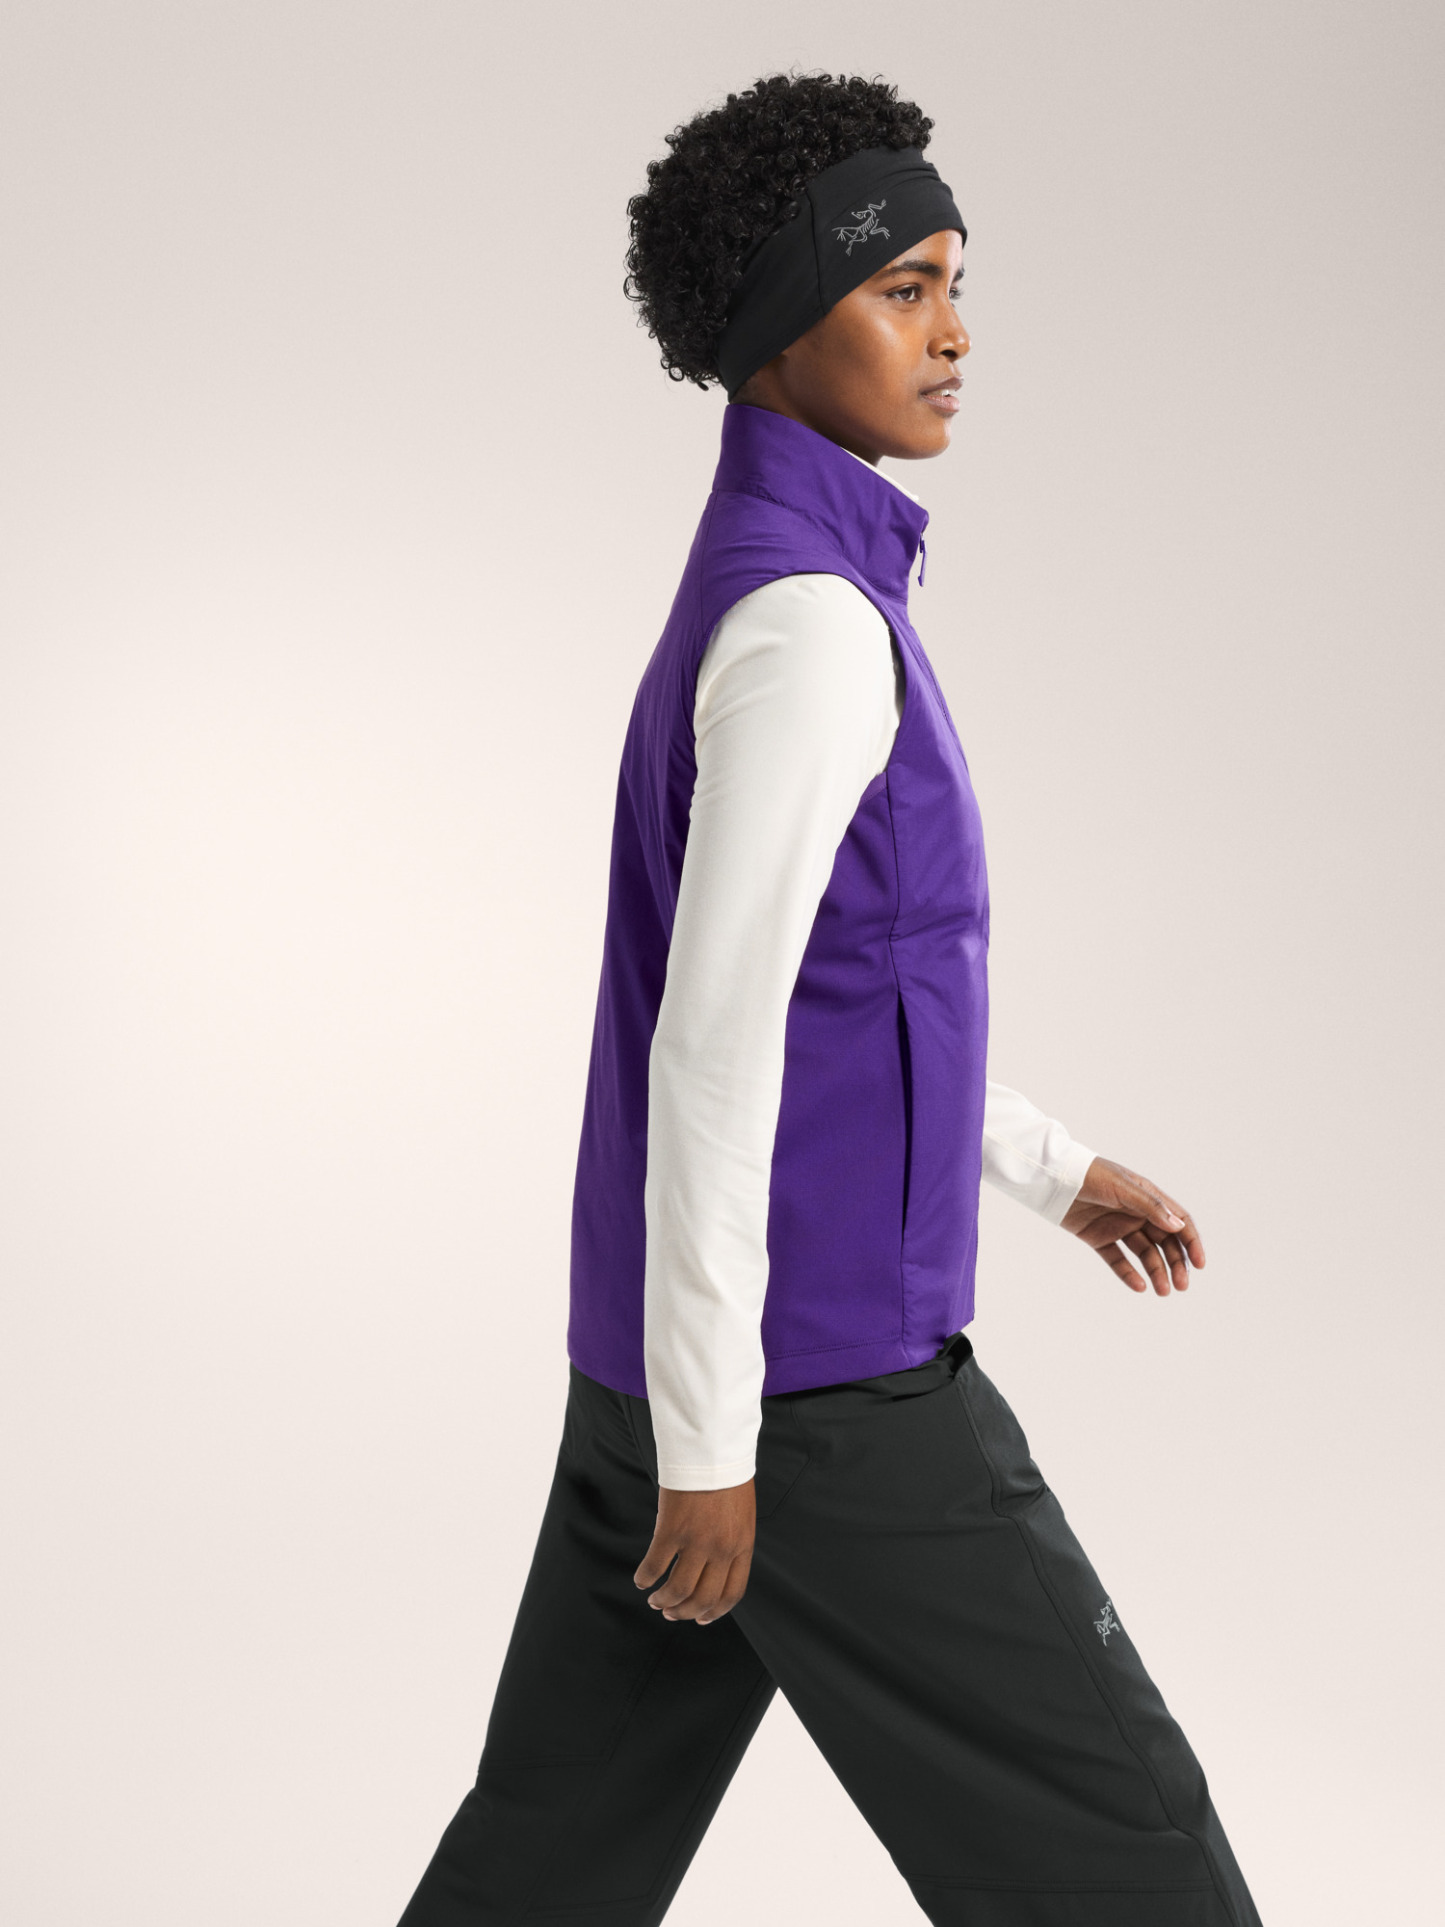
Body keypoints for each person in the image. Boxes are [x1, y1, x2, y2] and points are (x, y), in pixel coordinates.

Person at [397, 71, 1262, 1927]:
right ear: (780, 323)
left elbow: (835, 997)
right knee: (1128, 1859)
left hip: (661, 1372)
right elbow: (713, 1054)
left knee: (546, 1867)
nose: (953, 335)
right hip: (814, 1404)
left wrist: (1046, 1167)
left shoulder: (779, 588)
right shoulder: (808, 628)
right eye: (900, 288)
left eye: (957, 285)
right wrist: (720, 1453)